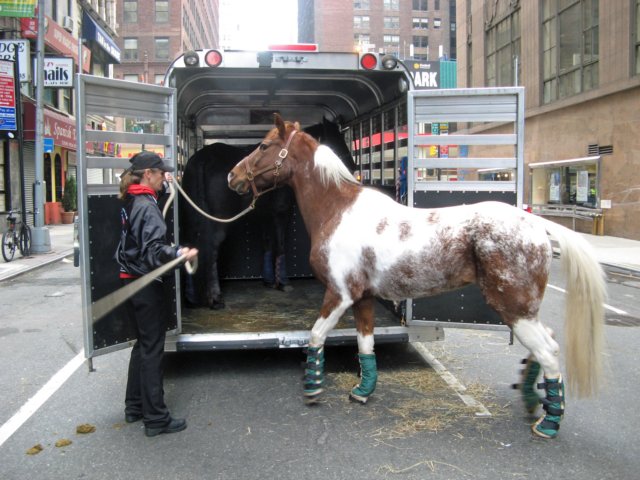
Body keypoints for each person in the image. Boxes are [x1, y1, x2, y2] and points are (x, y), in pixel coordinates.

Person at [115, 151, 198, 437]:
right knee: (152, 350)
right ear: (148, 174)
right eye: (161, 173)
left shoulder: (133, 199)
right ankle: (156, 419)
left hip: (130, 281)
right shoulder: (146, 206)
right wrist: (178, 251)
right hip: (145, 284)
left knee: (142, 345)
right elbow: (152, 251)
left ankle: (134, 406)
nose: (165, 177)